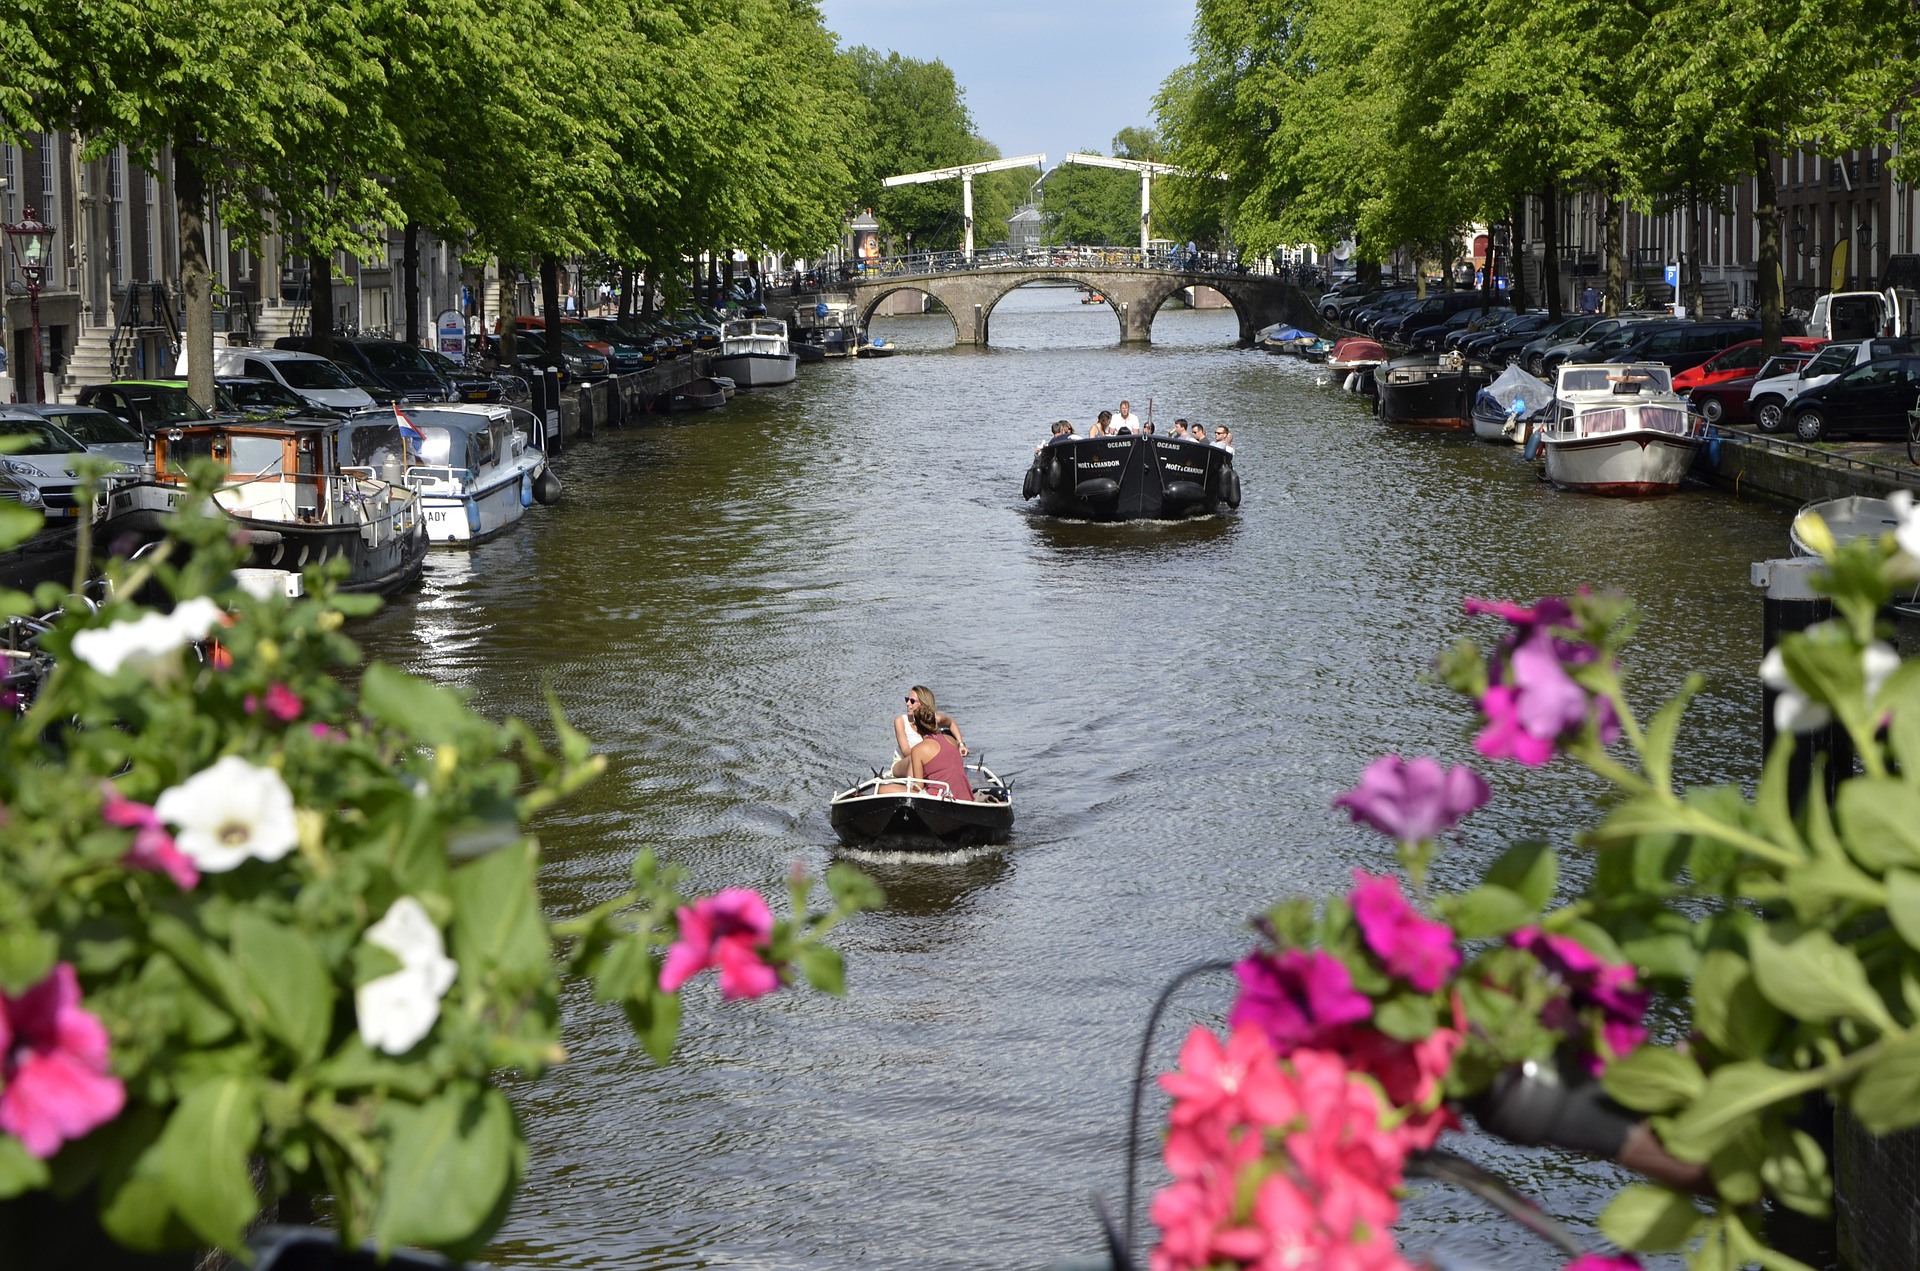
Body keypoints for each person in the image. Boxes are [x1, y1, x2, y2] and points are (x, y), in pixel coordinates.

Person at [889, 686, 966, 778]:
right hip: (904, 763)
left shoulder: (934, 719)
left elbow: (951, 723)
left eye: (912, 701)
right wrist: (929, 757)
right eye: (907, 699)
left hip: (927, 761)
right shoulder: (900, 721)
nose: (908, 703)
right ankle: (914, 788)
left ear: (923, 703)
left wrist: (961, 744)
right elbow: (906, 751)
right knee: (913, 759)